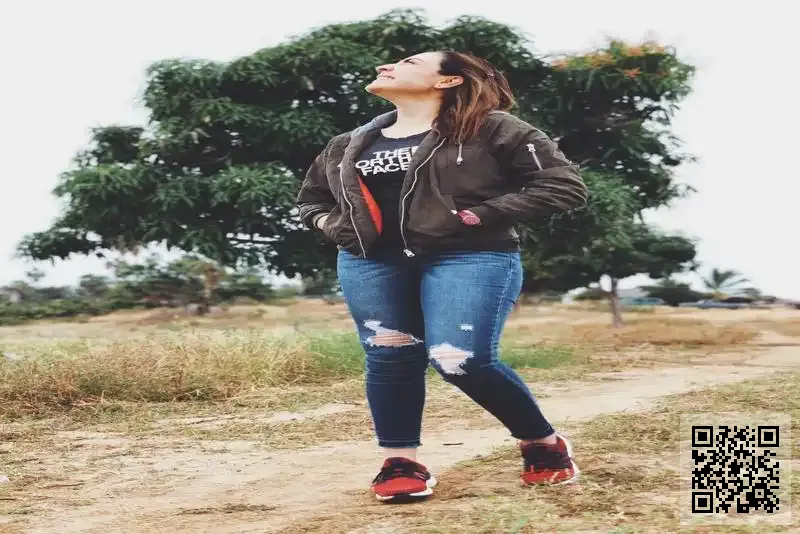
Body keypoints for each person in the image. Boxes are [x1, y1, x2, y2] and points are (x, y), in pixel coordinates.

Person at [296, 50, 588, 502]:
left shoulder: (495, 129)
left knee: (459, 357)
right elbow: (311, 200)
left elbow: (563, 185)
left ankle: (543, 443)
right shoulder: (348, 143)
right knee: (390, 355)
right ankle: (400, 462)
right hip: (371, 260)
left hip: (469, 255)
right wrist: (331, 226)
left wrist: (481, 214)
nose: (386, 66)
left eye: (409, 62)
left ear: (448, 81)